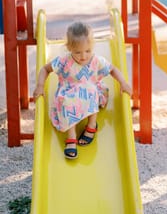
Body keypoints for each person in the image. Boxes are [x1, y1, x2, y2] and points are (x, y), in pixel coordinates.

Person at [33, 21, 132, 160]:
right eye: (77, 52)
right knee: (67, 99)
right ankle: (71, 136)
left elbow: (113, 69)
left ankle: (91, 125)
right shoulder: (64, 61)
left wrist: (123, 83)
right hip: (70, 92)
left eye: (87, 51)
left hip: (93, 90)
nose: (83, 56)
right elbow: (45, 69)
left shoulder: (96, 60)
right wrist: (40, 85)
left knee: (90, 89)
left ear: (92, 47)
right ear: (69, 48)